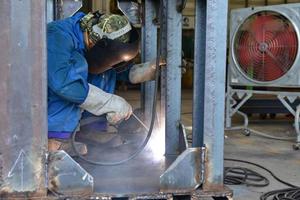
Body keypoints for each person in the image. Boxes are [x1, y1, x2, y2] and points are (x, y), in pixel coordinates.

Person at [47, 11, 161, 155]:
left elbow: (106, 64)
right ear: (96, 42)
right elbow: (63, 83)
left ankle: (91, 130)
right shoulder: (57, 35)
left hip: (68, 81)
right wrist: (108, 102)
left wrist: (139, 71)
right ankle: (55, 139)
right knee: (78, 66)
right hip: (39, 101)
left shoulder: (92, 38)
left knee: (101, 67)